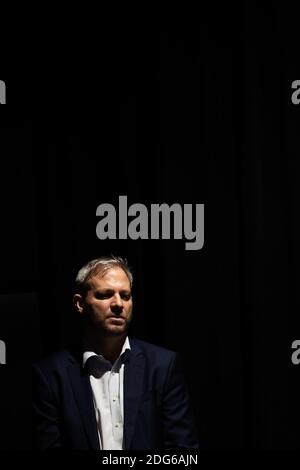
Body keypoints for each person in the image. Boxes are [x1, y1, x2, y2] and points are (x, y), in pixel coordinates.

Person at [32, 255, 199, 450]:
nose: (119, 304)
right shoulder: (51, 374)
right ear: (80, 303)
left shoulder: (162, 366)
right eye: (105, 295)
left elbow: (183, 450)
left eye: (125, 295)